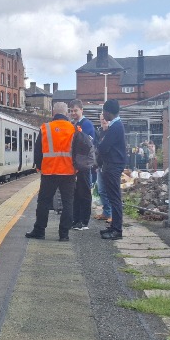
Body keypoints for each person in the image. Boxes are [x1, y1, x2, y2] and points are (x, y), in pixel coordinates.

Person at [26, 102, 77, 242]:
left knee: (43, 202)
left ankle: (39, 231)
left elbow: (37, 151)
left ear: (53, 113)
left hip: (49, 172)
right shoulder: (74, 129)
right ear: (66, 114)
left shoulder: (45, 128)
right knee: (68, 203)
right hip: (69, 172)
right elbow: (79, 150)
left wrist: (39, 167)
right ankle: (64, 234)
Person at [97, 99, 127, 240]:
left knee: (115, 198)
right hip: (113, 165)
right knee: (112, 197)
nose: (103, 115)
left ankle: (117, 230)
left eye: (104, 112)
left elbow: (103, 147)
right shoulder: (116, 126)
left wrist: (100, 144)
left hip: (113, 165)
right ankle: (114, 226)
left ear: (108, 112)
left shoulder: (115, 127)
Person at [69, 99, 96, 231]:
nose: (73, 113)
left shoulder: (87, 124)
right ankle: (76, 219)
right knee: (76, 193)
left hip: (84, 165)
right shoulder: (75, 124)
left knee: (84, 193)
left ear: (81, 110)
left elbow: (85, 144)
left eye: (75, 110)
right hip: (77, 165)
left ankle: (84, 221)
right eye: (71, 111)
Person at [94, 114, 112, 223]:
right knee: (101, 190)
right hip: (100, 166)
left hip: (109, 166)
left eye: (105, 119)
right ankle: (106, 212)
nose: (104, 121)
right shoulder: (99, 133)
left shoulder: (111, 133)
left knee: (109, 190)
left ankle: (111, 214)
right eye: (102, 119)